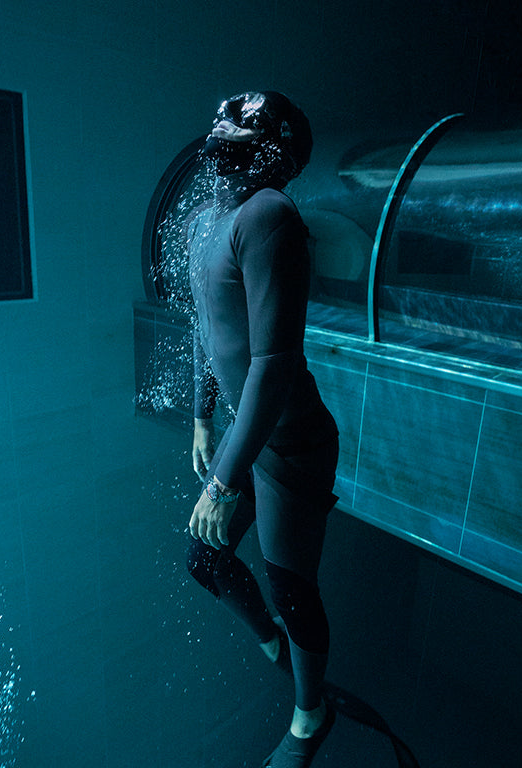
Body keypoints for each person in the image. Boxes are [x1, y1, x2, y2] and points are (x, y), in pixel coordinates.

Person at [185, 91, 339, 768]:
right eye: (224, 111)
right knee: (204, 560)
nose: (222, 121)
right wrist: (200, 412)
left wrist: (223, 479)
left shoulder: (269, 216)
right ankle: (277, 643)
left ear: (274, 140)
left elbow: (275, 363)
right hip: (250, 433)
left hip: (292, 443)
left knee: (290, 586)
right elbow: (211, 329)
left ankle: (311, 715)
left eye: (242, 116)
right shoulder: (213, 220)